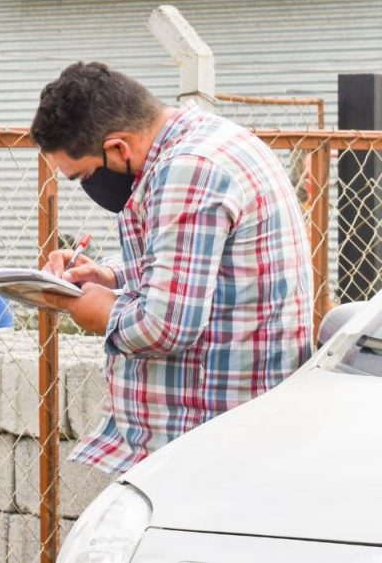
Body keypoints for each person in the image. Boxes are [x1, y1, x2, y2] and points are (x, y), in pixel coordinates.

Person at [32, 61, 313, 474]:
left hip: (210, 442)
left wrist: (95, 310)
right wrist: (109, 275)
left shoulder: (188, 170)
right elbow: (202, 262)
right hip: (229, 428)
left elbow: (165, 326)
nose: (88, 186)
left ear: (118, 148)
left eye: (84, 175)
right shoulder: (214, 139)